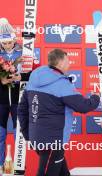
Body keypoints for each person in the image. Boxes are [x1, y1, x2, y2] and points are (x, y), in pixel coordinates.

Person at [17, 49, 100, 176]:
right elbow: (83, 106)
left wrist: (27, 133)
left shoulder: (34, 77)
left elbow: (22, 109)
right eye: (67, 61)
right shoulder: (62, 84)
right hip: (53, 141)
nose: (69, 64)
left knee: (63, 172)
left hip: (37, 138)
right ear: (60, 63)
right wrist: (95, 98)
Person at [0, 18, 30, 173]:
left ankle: (19, 165)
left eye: (9, 42)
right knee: (0, 135)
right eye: (3, 43)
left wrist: (21, 78)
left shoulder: (24, 52)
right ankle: (0, 166)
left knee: (20, 133)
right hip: (1, 101)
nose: (6, 46)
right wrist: (1, 79)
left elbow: (34, 73)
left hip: (19, 100)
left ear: (14, 39)